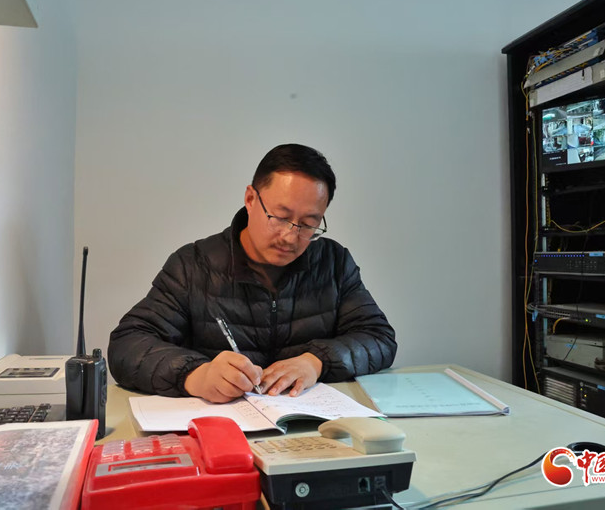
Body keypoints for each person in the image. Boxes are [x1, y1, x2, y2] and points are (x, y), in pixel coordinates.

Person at [108, 144, 396, 403]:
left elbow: (379, 337)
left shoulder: (333, 263)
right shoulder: (193, 266)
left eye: (309, 224)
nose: (290, 236)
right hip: (223, 429)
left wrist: (316, 361)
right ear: (250, 199)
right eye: (280, 217)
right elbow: (127, 344)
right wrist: (196, 375)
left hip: (311, 429)